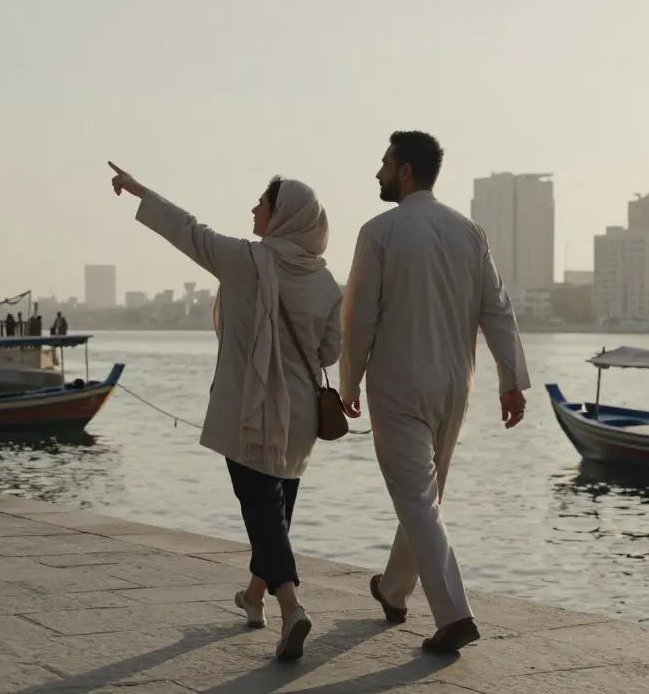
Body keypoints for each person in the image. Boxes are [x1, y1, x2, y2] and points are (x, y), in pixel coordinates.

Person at [108, 161, 342, 662]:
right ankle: (254, 599)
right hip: (299, 416)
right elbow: (330, 353)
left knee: (261, 509)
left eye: (262, 203)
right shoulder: (326, 284)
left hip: (250, 410)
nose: (254, 210)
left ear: (283, 215)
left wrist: (138, 190)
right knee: (275, 511)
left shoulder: (243, 260)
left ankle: (291, 607)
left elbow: (189, 231)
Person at [339, 131, 530, 654]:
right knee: (425, 497)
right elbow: (498, 309)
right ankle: (395, 591)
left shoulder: (379, 231)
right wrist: (510, 381)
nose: (377, 172)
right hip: (455, 384)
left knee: (419, 499)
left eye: (383, 163)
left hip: (399, 383)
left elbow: (359, 316)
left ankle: (454, 615)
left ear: (404, 171)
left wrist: (348, 380)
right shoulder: (470, 232)